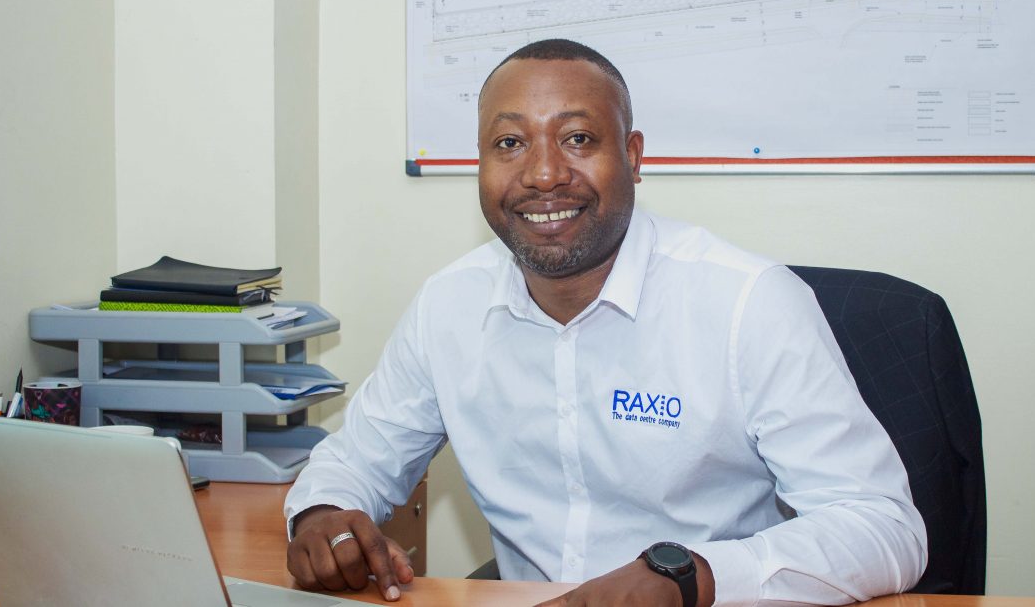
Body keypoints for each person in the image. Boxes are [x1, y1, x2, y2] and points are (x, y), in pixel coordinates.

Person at [284, 38, 926, 606]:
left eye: (578, 139)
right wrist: (320, 514)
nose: (543, 175)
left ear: (634, 155)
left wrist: (692, 578)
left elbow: (883, 527)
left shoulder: (749, 304)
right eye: (509, 144)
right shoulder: (448, 306)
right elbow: (355, 462)